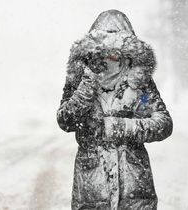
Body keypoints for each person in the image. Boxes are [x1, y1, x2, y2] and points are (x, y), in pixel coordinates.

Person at [57, 9, 173, 210]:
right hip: (92, 191)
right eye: (104, 47)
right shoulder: (80, 79)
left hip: (134, 190)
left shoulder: (138, 83)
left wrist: (122, 127)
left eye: (117, 47)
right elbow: (66, 120)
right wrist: (87, 85)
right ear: (94, 49)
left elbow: (163, 123)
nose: (110, 54)